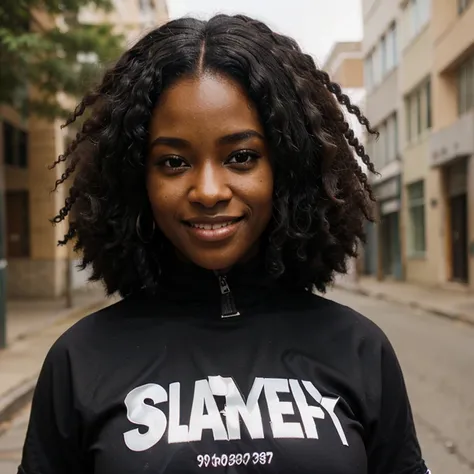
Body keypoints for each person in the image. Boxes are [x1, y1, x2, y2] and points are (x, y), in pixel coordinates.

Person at [18, 14, 430, 474]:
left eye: (241, 157)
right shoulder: (79, 360)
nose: (209, 191)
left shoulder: (359, 348)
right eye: (173, 162)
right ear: (137, 180)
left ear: (288, 169)